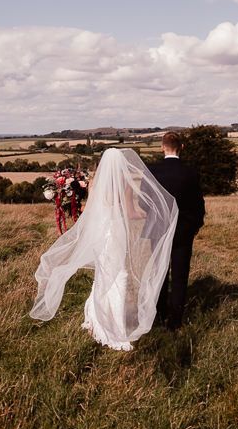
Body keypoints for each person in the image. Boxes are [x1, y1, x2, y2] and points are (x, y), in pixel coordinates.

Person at [30, 148, 178, 351]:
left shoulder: (94, 183)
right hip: (116, 230)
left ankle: (95, 319)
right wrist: (149, 216)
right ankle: (114, 326)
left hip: (101, 230)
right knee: (120, 274)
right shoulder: (124, 184)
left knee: (104, 272)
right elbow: (131, 212)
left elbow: (87, 211)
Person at [148, 131, 205, 329]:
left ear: (162, 147)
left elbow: (143, 202)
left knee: (159, 273)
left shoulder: (151, 171)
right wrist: (194, 228)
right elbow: (199, 206)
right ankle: (175, 322)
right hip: (183, 232)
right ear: (181, 147)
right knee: (180, 276)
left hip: (156, 230)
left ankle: (158, 315)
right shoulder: (191, 172)